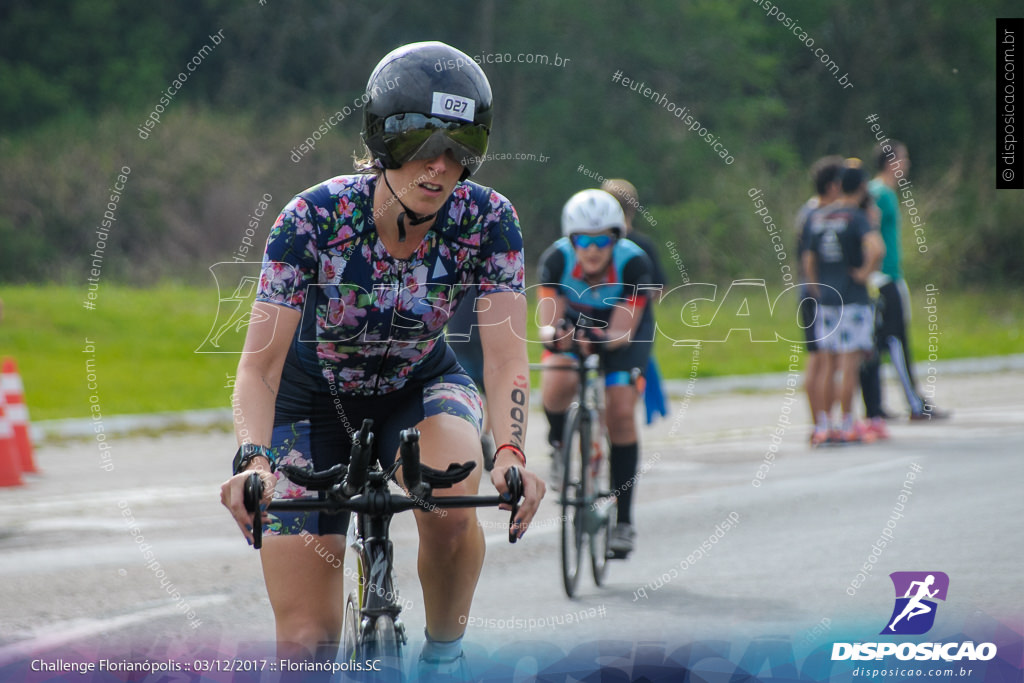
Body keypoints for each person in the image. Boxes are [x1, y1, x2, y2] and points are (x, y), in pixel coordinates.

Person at [218, 41, 545, 677]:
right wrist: (253, 458)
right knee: (306, 645)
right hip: (309, 404)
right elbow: (259, 367)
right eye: (423, 147)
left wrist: (510, 452)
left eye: (458, 151)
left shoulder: (489, 220)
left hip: (418, 386)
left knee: (455, 492)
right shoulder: (312, 218)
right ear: (383, 142)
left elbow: (505, 357)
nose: (439, 168)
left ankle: (444, 657)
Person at [537, 189, 655, 556]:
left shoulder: (634, 263)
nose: (592, 249)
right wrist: (560, 338)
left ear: (616, 238)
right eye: (583, 240)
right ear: (571, 240)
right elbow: (546, 324)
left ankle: (624, 521)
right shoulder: (556, 259)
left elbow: (621, 334)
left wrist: (594, 341)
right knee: (557, 377)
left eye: (602, 239)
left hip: (623, 333)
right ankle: (558, 444)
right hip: (575, 322)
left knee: (620, 411)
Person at [860, 142, 949, 424]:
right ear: (891, 162)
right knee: (896, 340)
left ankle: (875, 406)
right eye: (903, 158)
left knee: (876, 342)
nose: (906, 163)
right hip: (884, 277)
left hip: (885, 276)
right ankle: (914, 402)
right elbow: (866, 229)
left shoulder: (885, 193)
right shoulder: (879, 193)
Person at [802, 165, 884, 445]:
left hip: (826, 301)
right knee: (849, 364)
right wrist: (864, 274)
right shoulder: (857, 217)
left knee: (826, 364)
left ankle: (825, 425)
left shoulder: (820, 216)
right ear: (860, 187)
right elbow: (877, 249)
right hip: (852, 299)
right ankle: (848, 423)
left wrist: (816, 286)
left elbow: (808, 259)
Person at [600, 178, 668, 424]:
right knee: (622, 396)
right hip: (637, 325)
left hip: (602, 320)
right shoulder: (644, 245)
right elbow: (660, 288)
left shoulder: (593, 242)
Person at [795, 156, 845, 443]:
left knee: (820, 361)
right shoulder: (818, 215)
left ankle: (822, 424)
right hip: (817, 293)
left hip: (812, 292)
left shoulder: (810, 212)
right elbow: (808, 258)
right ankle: (822, 425)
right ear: (833, 185)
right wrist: (816, 291)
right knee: (823, 362)